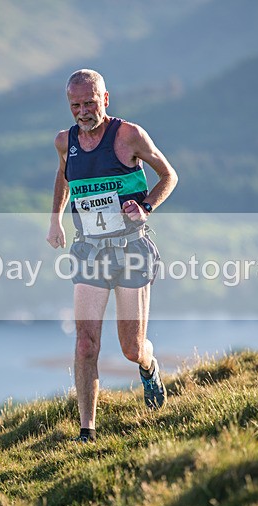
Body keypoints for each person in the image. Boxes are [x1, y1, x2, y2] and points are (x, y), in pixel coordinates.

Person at [46, 69, 178, 442]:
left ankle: (149, 367)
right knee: (86, 343)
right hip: (89, 250)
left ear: (106, 99)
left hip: (131, 249)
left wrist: (147, 206)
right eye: (76, 105)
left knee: (131, 348)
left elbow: (169, 175)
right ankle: (87, 431)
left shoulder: (128, 135)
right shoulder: (63, 141)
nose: (83, 111)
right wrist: (55, 219)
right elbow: (63, 176)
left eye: (90, 102)